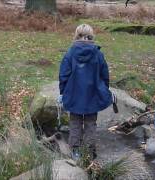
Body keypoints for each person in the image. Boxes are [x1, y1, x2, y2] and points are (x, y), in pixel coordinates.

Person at [58, 24, 113, 161]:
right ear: (91, 35)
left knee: (75, 122)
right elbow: (104, 75)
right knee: (90, 123)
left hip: (73, 94)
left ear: (76, 35)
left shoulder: (70, 53)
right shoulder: (98, 53)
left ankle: (75, 151)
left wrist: (62, 92)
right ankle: (90, 151)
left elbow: (63, 75)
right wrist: (103, 89)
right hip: (92, 95)